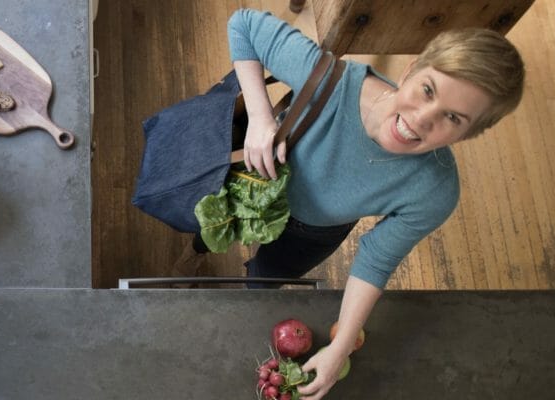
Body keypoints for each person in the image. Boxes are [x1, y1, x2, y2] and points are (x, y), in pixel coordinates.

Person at [178, 8, 524, 399]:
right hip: (253, 185)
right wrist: (259, 115)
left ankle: (245, 291)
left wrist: (338, 349)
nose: (423, 118)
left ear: (469, 134)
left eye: (453, 118)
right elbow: (243, 25)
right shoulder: (329, 81)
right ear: (411, 70)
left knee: (265, 278)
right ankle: (191, 258)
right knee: (207, 231)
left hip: (314, 232)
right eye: (428, 90)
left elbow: (376, 258)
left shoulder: (434, 191)